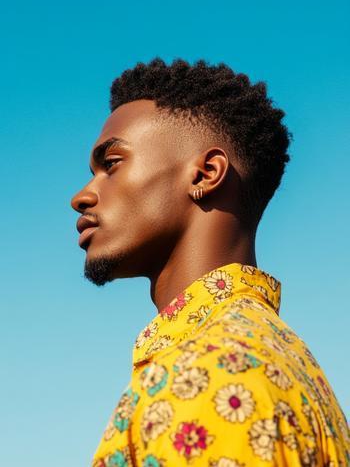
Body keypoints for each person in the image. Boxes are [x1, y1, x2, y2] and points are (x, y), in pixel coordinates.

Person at [71, 58, 349, 466]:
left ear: (206, 174)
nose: (82, 195)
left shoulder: (209, 371)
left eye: (111, 164)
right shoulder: (280, 355)